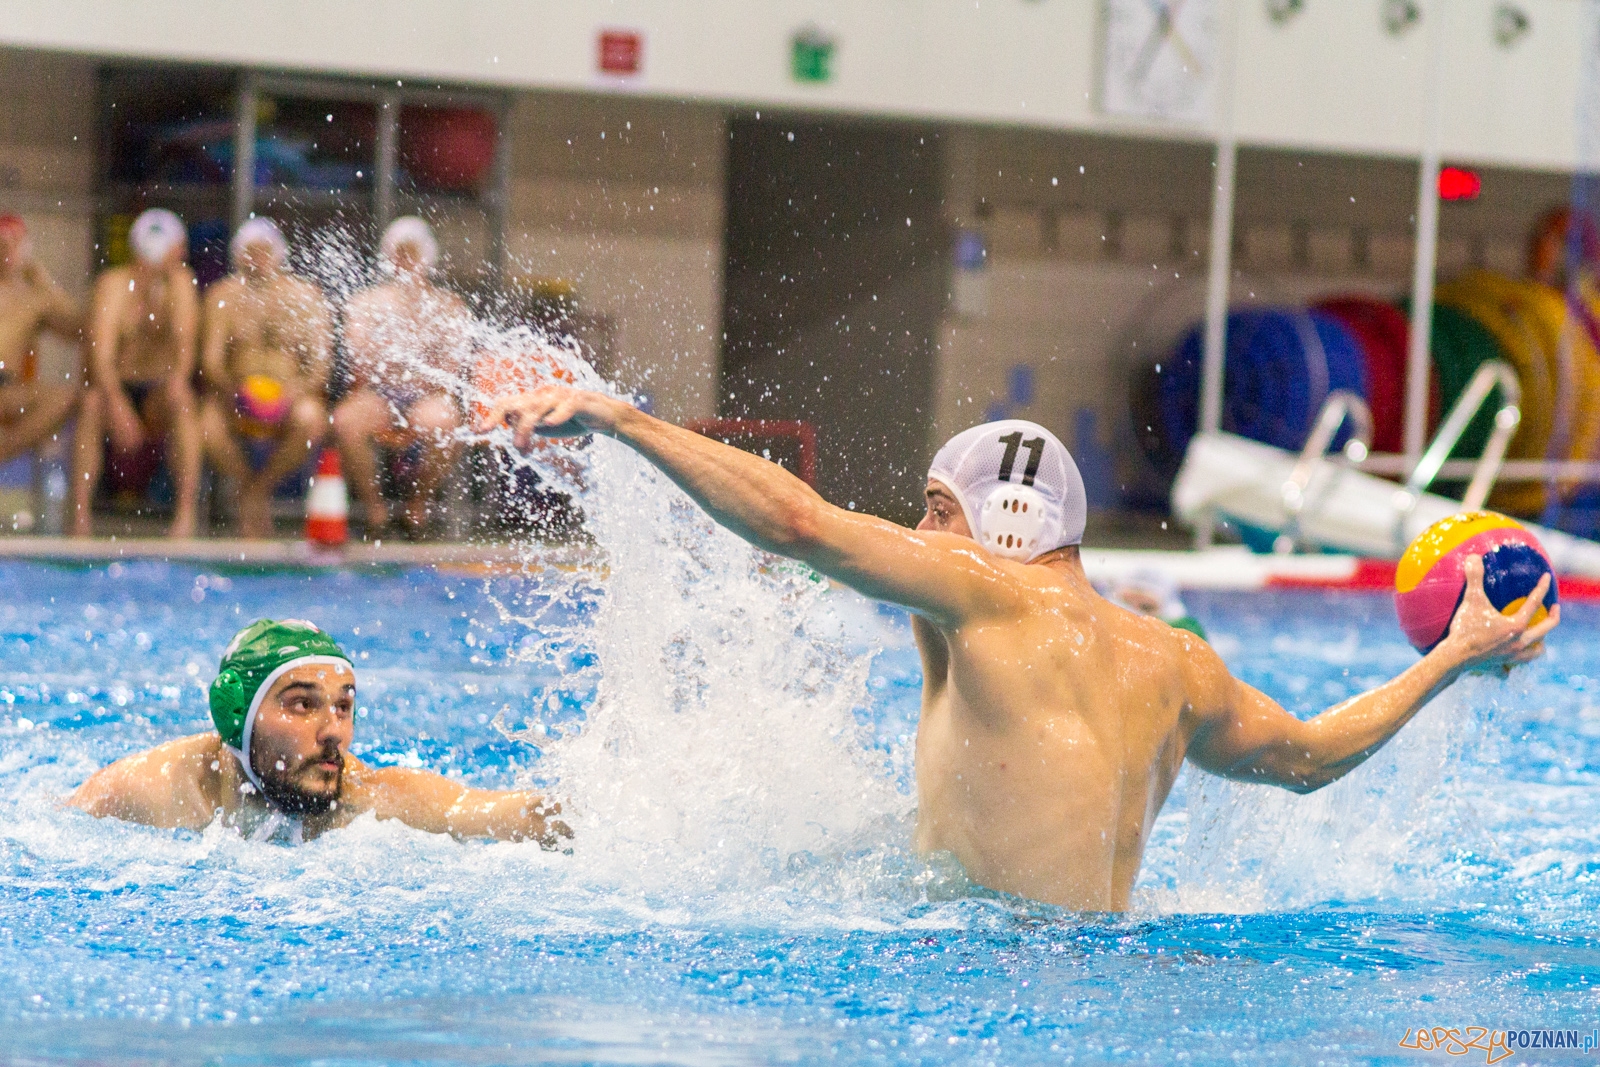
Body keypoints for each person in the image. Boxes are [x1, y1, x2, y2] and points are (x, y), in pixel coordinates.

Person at [479, 390, 1560, 912]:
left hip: (980, 975)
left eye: (929, 510)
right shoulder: (1178, 660)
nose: (918, 535)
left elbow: (798, 523)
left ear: (986, 524)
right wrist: (1448, 657)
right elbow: (1312, 756)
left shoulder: (977, 588)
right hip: (1105, 972)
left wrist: (623, 422)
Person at [68, 618, 571, 846]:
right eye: (303, 705)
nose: (334, 732)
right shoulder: (147, 790)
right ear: (235, 716)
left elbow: (493, 812)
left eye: (344, 707)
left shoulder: (371, 802)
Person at [333, 217, 473, 538]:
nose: (406, 261)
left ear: (428, 257)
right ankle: (376, 512)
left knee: (444, 423)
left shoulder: (450, 307)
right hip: (380, 394)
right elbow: (362, 364)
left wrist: (402, 369)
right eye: (400, 253)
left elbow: (449, 371)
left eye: (413, 253)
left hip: (426, 396)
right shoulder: (364, 303)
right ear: (388, 256)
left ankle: (417, 506)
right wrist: (411, 368)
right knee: (346, 422)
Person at [70, 208, 202, 538]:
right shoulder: (113, 285)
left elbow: (185, 351)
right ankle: (79, 516)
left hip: (157, 394)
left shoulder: (182, 284)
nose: (180, 255)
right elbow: (100, 354)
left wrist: (170, 287)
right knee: (90, 403)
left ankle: (185, 514)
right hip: (117, 386)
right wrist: (116, 403)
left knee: (182, 398)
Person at [199, 219, 333, 538]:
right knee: (205, 426)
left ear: (279, 255)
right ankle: (247, 485)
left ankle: (257, 491)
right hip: (235, 396)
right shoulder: (223, 296)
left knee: (312, 419)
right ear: (237, 256)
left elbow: (320, 366)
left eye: (264, 251)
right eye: (251, 251)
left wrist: (294, 393)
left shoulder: (305, 298)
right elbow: (211, 360)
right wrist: (233, 392)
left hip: (291, 397)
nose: (257, 258)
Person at [0, 214, 83, 466]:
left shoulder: (35, 298)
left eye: (14, 244)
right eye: (2, 244)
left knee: (65, 397)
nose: (6, 251)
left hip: (7, 390)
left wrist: (47, 284)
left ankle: (3, 450)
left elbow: (81, 330)